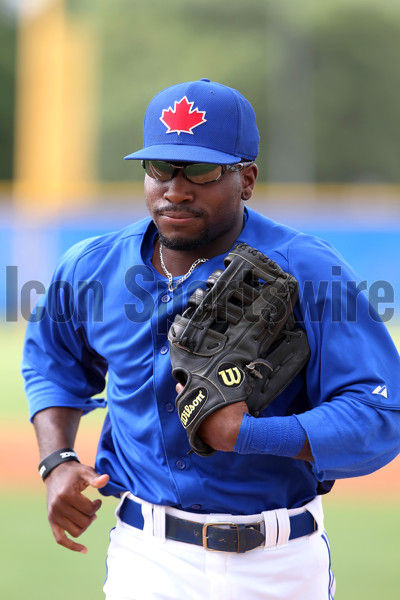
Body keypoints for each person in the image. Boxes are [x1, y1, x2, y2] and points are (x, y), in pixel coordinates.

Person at [22, 78, 400, 600]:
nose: (175, 189)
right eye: (160, 168)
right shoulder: (91, 267)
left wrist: (251, 435)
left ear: (246, 179)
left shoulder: (308, 270)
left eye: (200, 170)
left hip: (280, 561)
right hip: (146, 556)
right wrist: (57, 459)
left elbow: (380, 413)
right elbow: (50, 362)